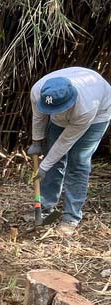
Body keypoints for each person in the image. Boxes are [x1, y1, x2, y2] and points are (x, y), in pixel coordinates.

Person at [27, 68, 111, 236]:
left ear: (71, 101)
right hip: (66, 118)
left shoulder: (86, 107)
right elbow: (39, 117)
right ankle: (45, 208)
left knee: (78, 162)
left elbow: (66, 141)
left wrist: (44, 166)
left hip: (97, 116)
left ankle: (71, 216)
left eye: (59, 109)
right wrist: (36, 142)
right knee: (53, 160)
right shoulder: (38, 91)